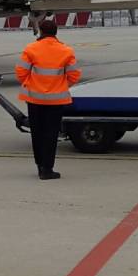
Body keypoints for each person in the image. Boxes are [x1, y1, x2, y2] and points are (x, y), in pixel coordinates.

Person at [15, 19, 81, 180]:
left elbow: (21, 72)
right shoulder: (66, 50)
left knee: (37, 134)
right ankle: (48, 168)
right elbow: (74, 75)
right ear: (56, 32)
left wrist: (31, 84)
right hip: (56, 101)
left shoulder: (31, 49)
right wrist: (61, 85)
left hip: (34, 100)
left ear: (41, 32)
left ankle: (40, 166)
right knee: (51, 135)